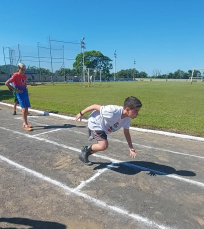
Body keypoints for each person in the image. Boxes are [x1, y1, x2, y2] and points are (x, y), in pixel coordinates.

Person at [75, 96, 142, 164]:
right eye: (136, 111)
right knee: (103, 145)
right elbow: (94, 106)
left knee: (102, 146)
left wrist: (131, 148)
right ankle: (85, 150)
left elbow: (126, 133)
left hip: (103, 128)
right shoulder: (112, 111)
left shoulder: (127, 119)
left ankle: (85, 153)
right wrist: (81, 113)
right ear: (127, 109)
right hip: (95, 123)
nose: (137, 113)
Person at [5, 63, 32, 131]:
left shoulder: (24, 76)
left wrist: (26, 90)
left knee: (26, 108)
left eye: (24, 70)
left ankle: (25, 123)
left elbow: (25, 84)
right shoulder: (15, 76)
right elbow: (6, 83)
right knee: (23, 109)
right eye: (22, 69)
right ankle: (26, 124)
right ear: (18, 69)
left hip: (25, 93)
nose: (23, 71)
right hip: (20, 94)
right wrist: (15, 90)